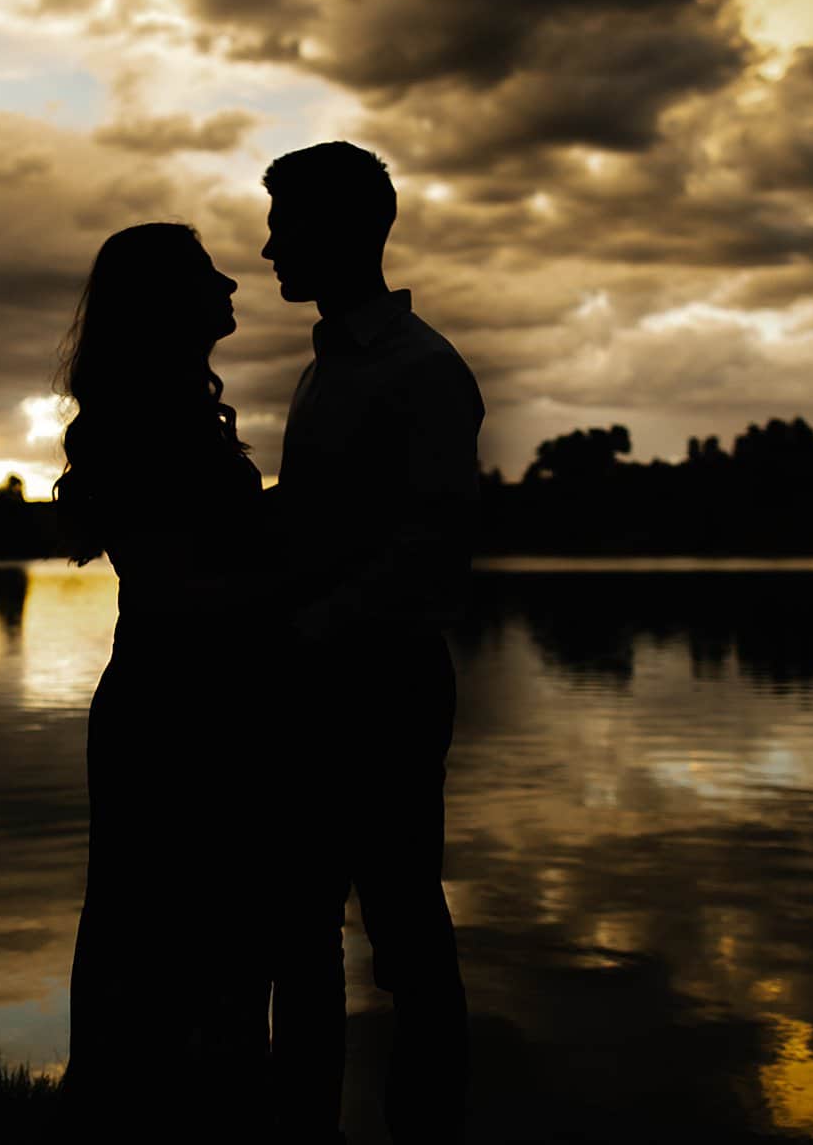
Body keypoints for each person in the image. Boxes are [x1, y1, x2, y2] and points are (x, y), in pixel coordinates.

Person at [262, 142, 482, 1144]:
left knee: (401, 933)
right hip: (310, 685)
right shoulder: (327, 367)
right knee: (298, 927)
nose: (267, 245)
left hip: (382, 685)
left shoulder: (420, 369)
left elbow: (431, 541)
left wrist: (311, 627)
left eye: (286, 222)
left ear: (345, 230)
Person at [54, 222, 277, 1141]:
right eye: (203, 274)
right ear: (162, 303)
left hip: (167, 693)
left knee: (156, 920)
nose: (231, 280)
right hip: (183, 705)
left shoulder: (166, 407)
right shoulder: (155, 418)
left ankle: (141, 1105)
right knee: (184, 927)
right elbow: (181, 578)